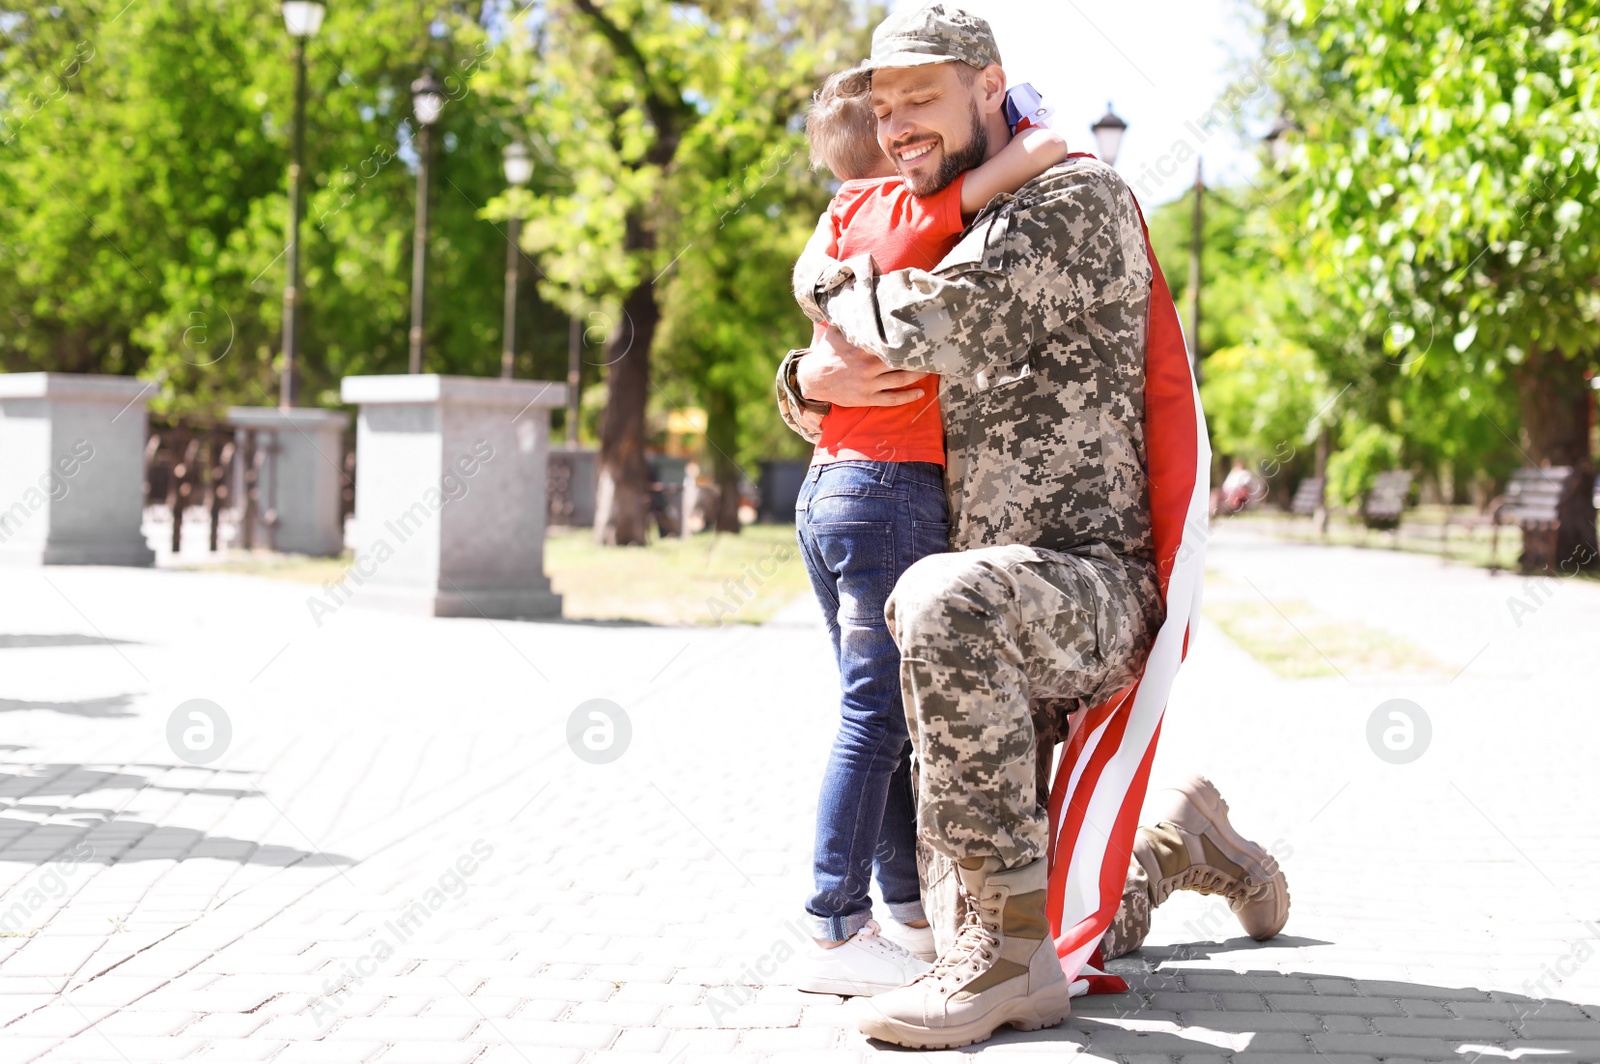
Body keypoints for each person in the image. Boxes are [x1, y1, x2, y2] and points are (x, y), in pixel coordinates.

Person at [775, 2, 1289, 1048]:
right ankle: (1178, 839)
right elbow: (851, 378)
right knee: (1042, 903)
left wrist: (823, 283)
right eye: (881, 109)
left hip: (1082, 587)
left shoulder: (1073, 195)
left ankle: (1002, 972)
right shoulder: (931, 218)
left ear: (986, 84)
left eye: (920, 98)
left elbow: (934, 325)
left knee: (936, 591)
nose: (897, 126)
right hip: (975, 632)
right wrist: (806, 380)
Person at [790, 69, 1072, 998]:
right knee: (876, 716)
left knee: (882, 715)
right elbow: (1000, 173)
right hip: (889, 492)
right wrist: (1034, 145)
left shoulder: (837, 221)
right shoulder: (896, 215)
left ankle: (903, 905)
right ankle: (834, 929)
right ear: (885, 154)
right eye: (900, 127)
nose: (917, 137)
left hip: (837, 489)